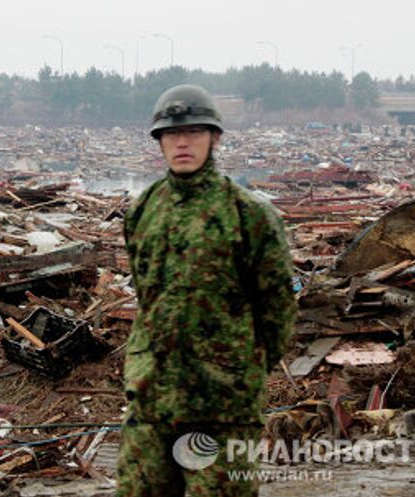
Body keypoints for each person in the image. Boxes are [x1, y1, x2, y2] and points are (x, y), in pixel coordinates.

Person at [117, 84, 296, 497]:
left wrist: (241, 370)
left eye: (194, 132)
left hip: (223, 404)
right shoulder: (144, 211)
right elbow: (148, 297)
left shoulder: (248, 215)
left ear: (214, 138)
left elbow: (277, 311)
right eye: (172, 133)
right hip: (152, 399)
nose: (182, 141)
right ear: (159, 141)